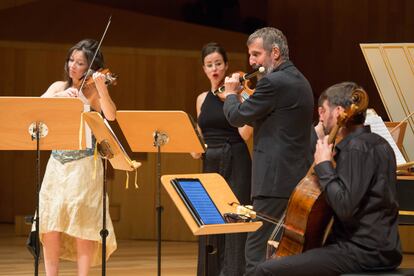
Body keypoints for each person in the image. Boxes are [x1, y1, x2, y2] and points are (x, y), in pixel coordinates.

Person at [255, 82, 402, 275]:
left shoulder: (356, 149)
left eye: (323, 111)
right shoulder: (379, 144)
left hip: (361, 251)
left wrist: (324, 165)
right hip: (381, 248)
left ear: (339, 111)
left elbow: (344, 206)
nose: (320, 118)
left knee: (266, 270)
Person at [220, 27, 314, 275]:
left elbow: (236, 117)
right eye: (250, 55)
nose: (251, 61)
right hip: (296, 181)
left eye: (256, 54)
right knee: (284, 254)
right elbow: (268, 118)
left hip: (273, 183)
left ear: (274, 52)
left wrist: (231, 94)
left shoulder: (273, 83)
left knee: (256, 252)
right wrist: (246, 97)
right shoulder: (300, 80)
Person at [39, 39, 117, 276]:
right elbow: (36, 107)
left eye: (80, 63)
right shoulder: (57, 87)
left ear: (90, 68)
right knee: (51, 222)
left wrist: (101, 89)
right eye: (71, 60)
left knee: (84, 223)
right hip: (57, 163)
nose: (73, 66)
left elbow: (111, 116)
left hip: (85, 164)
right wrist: (60, 98)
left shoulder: (93, 91)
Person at [191, 42, 253, 276]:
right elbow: (201, 134)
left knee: (234, 220)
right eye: (209, 65)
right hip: (210, 161)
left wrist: (235, 97)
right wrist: (194, 146)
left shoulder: (240, 95)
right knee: (209, 219)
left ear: (226, 66)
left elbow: (245, 134)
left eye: (218, 63)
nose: (215, 69)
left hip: (235, 158)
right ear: (204, 69)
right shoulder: (201, 99)